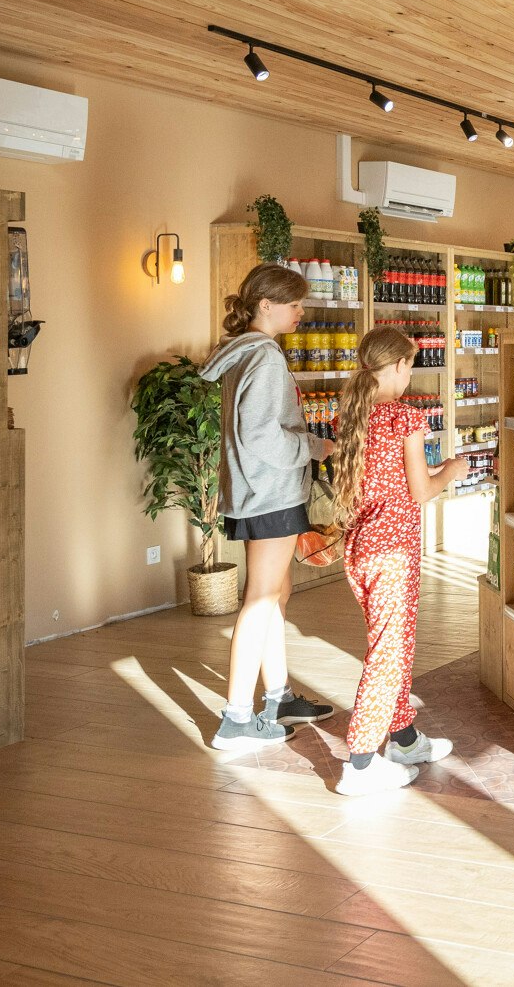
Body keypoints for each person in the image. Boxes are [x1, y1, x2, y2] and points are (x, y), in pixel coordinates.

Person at [199, 263, 337, 750]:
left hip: (257, 490)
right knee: (260, 599)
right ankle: (237, 718)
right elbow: (259, 434)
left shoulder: (245, 352)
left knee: (276, 594)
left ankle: (278, 698)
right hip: (269, 493)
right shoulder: (264, 357)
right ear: (265, 305)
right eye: (294, 304)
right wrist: (313, 448)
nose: (301, 312)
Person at [328, 327, 468, 795]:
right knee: (387, 654)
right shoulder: (404, 417)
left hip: (363, 549)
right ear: (398, 366)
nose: (411, 373)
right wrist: (453, 470)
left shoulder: (356, 414)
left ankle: (404, 739)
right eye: (411, 364)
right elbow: (421, 490)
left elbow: (391, 478)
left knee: (396, 643)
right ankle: (361, 763)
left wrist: (433, 472)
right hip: (393, 553)